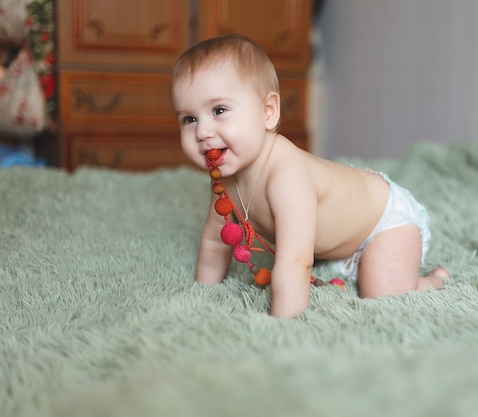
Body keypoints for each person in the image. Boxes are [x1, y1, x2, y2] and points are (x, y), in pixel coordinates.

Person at [170, 33, 449, 318]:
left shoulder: (286, 175)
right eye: (189, 119)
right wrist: (202, 294)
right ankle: (351, 258)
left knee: (381, 292)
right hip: (339, 238)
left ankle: (431, 281)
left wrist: (283, 324)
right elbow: (216, 240)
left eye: (219, 110)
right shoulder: (224, 178)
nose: (202, 132)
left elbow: (295, 261)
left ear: (268, 113)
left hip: (383, 221)